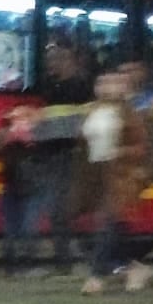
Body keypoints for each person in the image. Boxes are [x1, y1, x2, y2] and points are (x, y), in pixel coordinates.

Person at [80, 69, 153, 294]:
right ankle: (133, 268)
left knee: (109, 227)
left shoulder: (130, 113)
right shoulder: (93, 110)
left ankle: (96, 278)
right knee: (113, 231)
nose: (106, 87)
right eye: (102, 82)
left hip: (121, 179)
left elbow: (142, 148)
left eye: (113, 83)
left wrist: (119, 151)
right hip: (97, 179)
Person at [30, 41, 94, 271]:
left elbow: (82, 124)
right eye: (51, 60)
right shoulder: (51, 86)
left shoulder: (81, 87)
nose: (53, 63)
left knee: (60, 210)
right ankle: (63, 258)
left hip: (68, 155)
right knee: (55, 210)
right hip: (51, 155)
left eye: (58, 59)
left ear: (70, 61)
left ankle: (64, 261)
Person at [0, 106, 48, 277]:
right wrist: (7, 137)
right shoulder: (5, 136)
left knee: (28, 228)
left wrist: (30, 141)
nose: (18, 122)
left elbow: (45, 160)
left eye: (22, 118)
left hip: (33, 190)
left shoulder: (40, 137)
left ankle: (28, 266)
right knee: (10, 229)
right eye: (14, 119)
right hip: (11, 189)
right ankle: (10, 268)